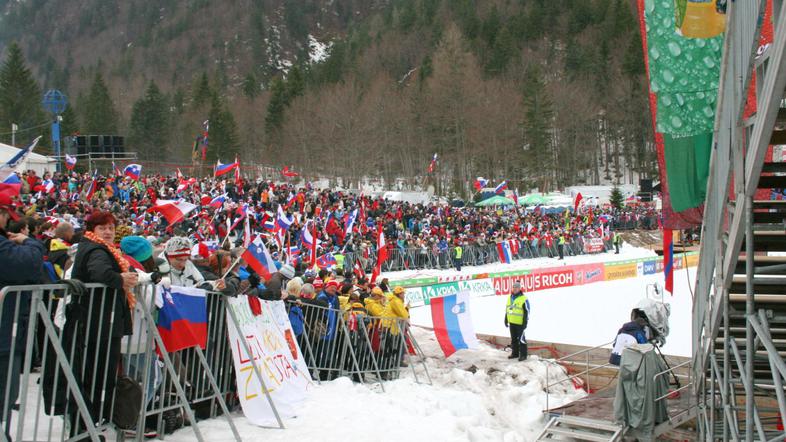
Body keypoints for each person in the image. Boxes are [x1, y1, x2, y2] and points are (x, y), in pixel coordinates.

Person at [69, 210, 139, 437]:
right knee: (96, 377)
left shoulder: (99, 248)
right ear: (93, 231)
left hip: (102, 321)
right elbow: (99, 272)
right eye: (103, 228)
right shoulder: (96, 249)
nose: (108, 232)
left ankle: (91, 425)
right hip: (98, 322)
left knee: (98, 376)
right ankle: (86, 427)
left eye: (111, 227)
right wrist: (120, 279)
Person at [0, 194, 45, 440]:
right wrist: (31, 243)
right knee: (5, 389)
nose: (7, 218)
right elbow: (27, 266)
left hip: (9, 328)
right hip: (6, 330)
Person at [504, 281, 530, 361]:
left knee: (521, 339)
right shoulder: (510, 297)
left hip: (520, 323)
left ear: (519, 288)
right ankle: (515, 353)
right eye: (514, 287)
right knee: (513, 339)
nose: (515, 289)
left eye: (517, 287)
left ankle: (523, 355)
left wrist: (525, 322)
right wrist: (506, 318)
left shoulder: (524, 298)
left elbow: (527, 311)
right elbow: (508, 309)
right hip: (512, 322)